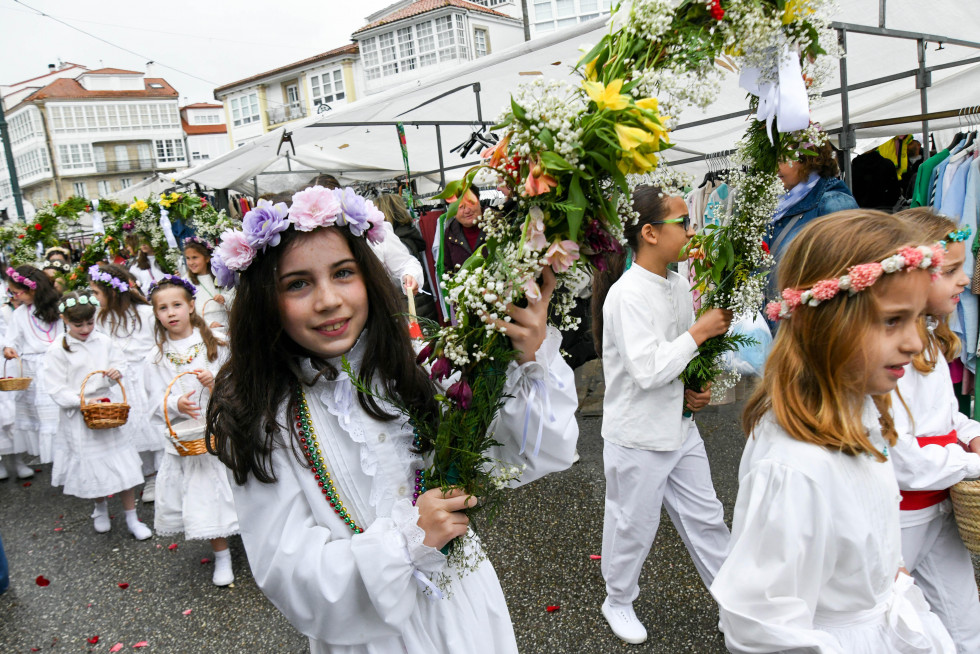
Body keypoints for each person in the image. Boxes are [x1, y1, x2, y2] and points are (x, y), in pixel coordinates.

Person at [206, 186, 578, 653]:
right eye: (298, 283)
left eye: (343, 273)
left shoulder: (416, 367)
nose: (328, 300)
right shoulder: (265, 417)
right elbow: (288, 570)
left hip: (464, 608)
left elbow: (523, 453)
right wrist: (406, 543)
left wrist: (525, 360)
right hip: (370, 637)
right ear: (265, 300)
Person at [711, 210, 955, 653]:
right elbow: (762, 628)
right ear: (817, 322)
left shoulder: (859, 413)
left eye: (918, 319)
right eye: (891, 320)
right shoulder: (795, 467)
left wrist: (888, 574)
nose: (916, 343)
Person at [590, 185, 732, 644]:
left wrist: (696, 384)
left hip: (680, 427)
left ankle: (735, 602)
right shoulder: (626, 294)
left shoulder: (675, 283)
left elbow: (676, 361)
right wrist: (699, 332)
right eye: (683, 222)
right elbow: (649, 368)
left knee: (707, 517)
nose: (692, 231)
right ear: (649, 233)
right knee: (633, 525)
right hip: (637, 435)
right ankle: (618, 598)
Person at [890, 208, 980, 652]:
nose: (966, 279)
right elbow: (899, 456)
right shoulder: (890, 353)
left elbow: (943, 415)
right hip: (901, 517)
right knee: (897, 627)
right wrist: (971, 461)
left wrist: (969, 433)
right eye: (952, 270)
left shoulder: (931, 335)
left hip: (942, 503)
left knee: (966, 623)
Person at [144, 275, 239, 586]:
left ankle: (255, 539)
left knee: (238, 491)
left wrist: (216, 383)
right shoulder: (155, 358)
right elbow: (151, 401)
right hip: (190, 441)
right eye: (162, 308)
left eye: (176, 305)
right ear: (155, 314)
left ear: (190, 306)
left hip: (225, 432)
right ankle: (222, 554)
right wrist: (174, 404)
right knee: (207, 497)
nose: (170, 313)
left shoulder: (216, 342)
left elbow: (239, 381)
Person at [40, 290, 151, 539]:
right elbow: (55, 388)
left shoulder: (103, 340)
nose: (86, 329)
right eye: (78, 324)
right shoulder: (57, 350)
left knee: (123, 465)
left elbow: (118, 362)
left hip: (106, 410)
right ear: (64, 320)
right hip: (81, 415)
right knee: (94, 466)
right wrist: (82, 402)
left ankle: (132, 517)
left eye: (90, 322)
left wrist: (115, 373)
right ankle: (99, 507)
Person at [89, 263, 162, 502]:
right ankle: (147, 473)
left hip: (146, 374)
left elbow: (159, 343)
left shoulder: (146, 313)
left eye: (97, 293)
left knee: (155, 424)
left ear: (111, 292)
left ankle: (162, 475)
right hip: (120, 379)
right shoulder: (100, 318)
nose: (94, 298)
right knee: (132, 425)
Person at [767, 141, 858, 308]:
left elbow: (848, 277)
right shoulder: (780, 205)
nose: (775, 168)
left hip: (813, 321)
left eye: (781, 160)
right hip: (782, 318)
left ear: (807, 160)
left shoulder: (833, 204)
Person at [2, 265, 62, 480]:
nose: (15, 297)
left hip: (59, 365)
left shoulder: (59, 307)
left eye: (18, 293)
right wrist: (8, 348)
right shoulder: (20, 314)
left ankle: (68, 460)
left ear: (33, 289)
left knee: (61, 415)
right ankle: (57, 464)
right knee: (47, 419)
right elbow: (12, 339)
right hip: (35, 369)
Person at [375, 193, 437, 322]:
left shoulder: (396, 239)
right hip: (421, 303)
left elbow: (401, 276)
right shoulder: (409, 233)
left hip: (412, 307)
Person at [182, 238, 233, 330]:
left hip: (227, 322)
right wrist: (208, 323)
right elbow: (185, 310)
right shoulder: (186, 282)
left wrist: (224, 298)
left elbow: (234, 296)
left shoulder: (221, 274)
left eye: (195, 257)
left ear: (207, 258)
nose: (191, 262)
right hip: (204, 326)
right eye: (188, 258)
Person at [443, 188, 485, 273]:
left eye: (470, 203)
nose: (467, 210)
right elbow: (449, 269)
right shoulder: (450, 233)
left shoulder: (497, 223)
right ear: (452, 213)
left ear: (479, 201)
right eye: (460, 207)